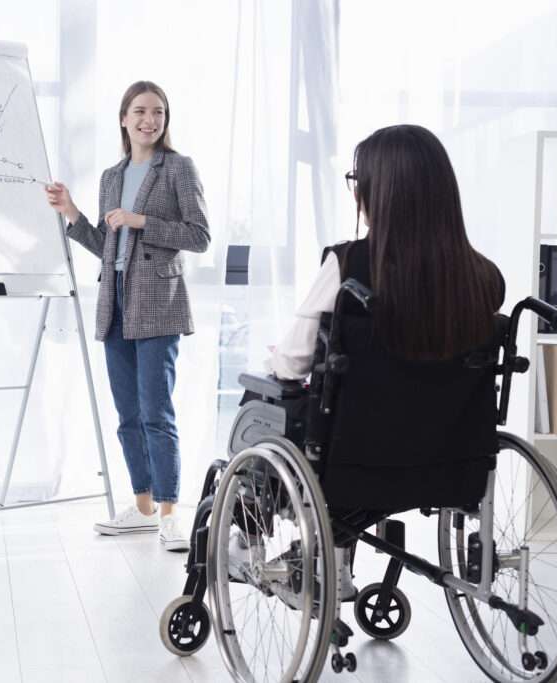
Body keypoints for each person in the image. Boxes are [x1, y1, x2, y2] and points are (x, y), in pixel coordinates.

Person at [245, 123, 505, 598]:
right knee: (360, 412)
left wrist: (279, 362)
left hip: (357, 458)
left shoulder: (348, 266)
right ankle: (336, 556)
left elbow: (292, 364)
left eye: (357, 182)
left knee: (265, 394)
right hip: (451, 460)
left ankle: (248, 533)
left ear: (377, 193)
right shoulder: (483, 276)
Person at [46, 81, 210, 552]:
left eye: (158, 112)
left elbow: (199, 236)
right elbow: (106, 246)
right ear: (123, 118)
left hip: (159, 301)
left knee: (157, 412)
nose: (149, 120)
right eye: (140, 111)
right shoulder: (111, 177)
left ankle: (169, 513)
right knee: (127, 415)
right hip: (115, 300)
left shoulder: (178, 168)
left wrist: (141, 222)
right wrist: (72, 212)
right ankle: (140, 510)